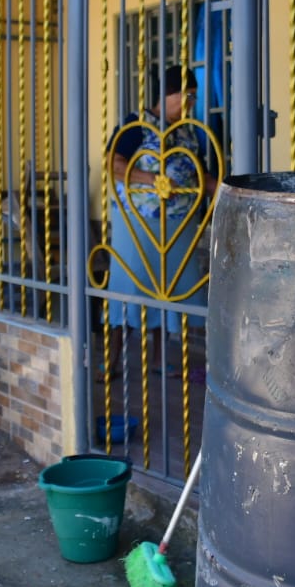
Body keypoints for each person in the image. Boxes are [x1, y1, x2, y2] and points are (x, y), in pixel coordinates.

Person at [104, 65, 216, 378]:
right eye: (188, 97)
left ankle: (159, 359)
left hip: (179, 226)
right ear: (170, 94)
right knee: (130, 288)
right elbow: (113, 163)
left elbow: (201, 175)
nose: (190, 104)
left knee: (169, 290)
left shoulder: (187, 132)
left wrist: (227, 194)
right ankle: (111, 362)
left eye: (193, 98)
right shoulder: (137, 124)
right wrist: (152, 179)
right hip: (138, 225)